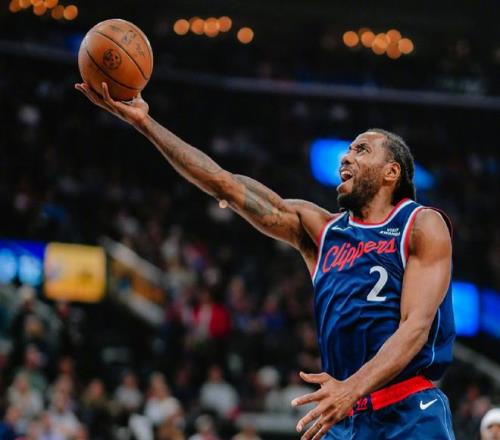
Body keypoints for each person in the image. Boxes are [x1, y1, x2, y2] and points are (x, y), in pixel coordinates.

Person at [76, 82, 456, 439]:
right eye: (349, 149)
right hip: (344, 415)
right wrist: (145, 123)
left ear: (392, 172)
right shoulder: (320, 231)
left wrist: (351, 389)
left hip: (408, 410)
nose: (347, 156)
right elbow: (224, 183)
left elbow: (415, 328)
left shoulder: (421, 224)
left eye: (362, 150)